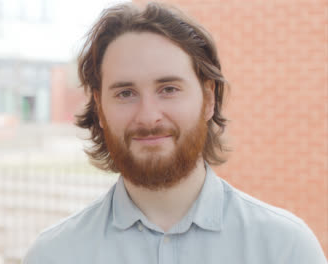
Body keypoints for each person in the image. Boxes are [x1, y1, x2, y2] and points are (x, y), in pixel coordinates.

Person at [23, 2, 327, 263]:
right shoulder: (54, 255)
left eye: (169, 89)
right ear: (100, 110)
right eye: (126, 93)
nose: (149, 116)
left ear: (208, 99)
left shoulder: (286, 250)